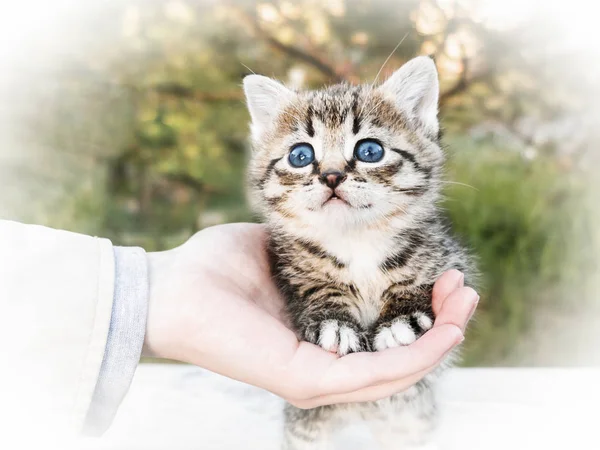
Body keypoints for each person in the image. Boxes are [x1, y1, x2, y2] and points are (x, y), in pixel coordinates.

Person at [0, 220, 478, 439]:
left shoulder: (420, 244)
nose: (332, 174)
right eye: (303, 155)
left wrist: (151, 292)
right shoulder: (300, 253)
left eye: (368, 151)